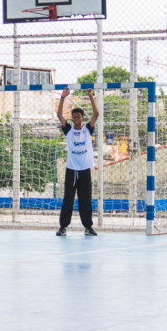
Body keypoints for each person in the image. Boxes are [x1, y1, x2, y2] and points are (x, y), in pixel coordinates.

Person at [56, 87, 100, 237]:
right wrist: (63, 97)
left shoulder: (87, 129)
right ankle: (63, 227)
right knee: (68, 199)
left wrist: (91, 96)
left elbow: (96, 113)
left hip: (85, 170)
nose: (76, 119)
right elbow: (58, 114)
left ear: (82, 118)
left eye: (78, 116)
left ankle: (88, 227)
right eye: (74, 117)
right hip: (71, 170)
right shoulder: (68, 130)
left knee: (85, 199)